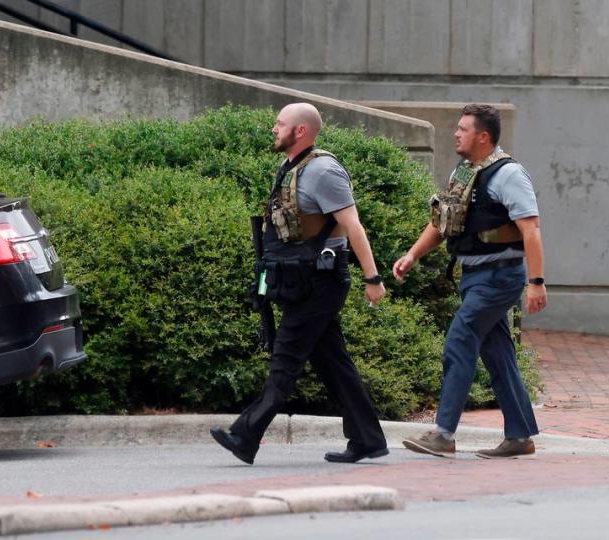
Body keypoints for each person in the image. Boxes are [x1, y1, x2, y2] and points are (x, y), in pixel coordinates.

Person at [210, 102, 389, 465]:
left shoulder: (324, 170)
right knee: (334, 364)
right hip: (298, 280)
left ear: (301, 131)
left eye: (280, 124)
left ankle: (246, 434)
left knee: (286, 357)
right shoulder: (289, 167)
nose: (274, 129)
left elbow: (353, 226)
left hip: (321, 282)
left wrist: (373, 278)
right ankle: (368, 439)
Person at [393, 104, 547, 459]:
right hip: (475, 276)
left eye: (463, 129)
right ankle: (520, 436)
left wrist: (536, 282)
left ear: (483, 136)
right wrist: (413, 255)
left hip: (500, 276)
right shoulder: (464, 172)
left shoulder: (509, 175)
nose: (455, 134)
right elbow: (443, 222)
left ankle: (444, 433)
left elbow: (531, 230)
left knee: (460, 340)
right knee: (498, 354)